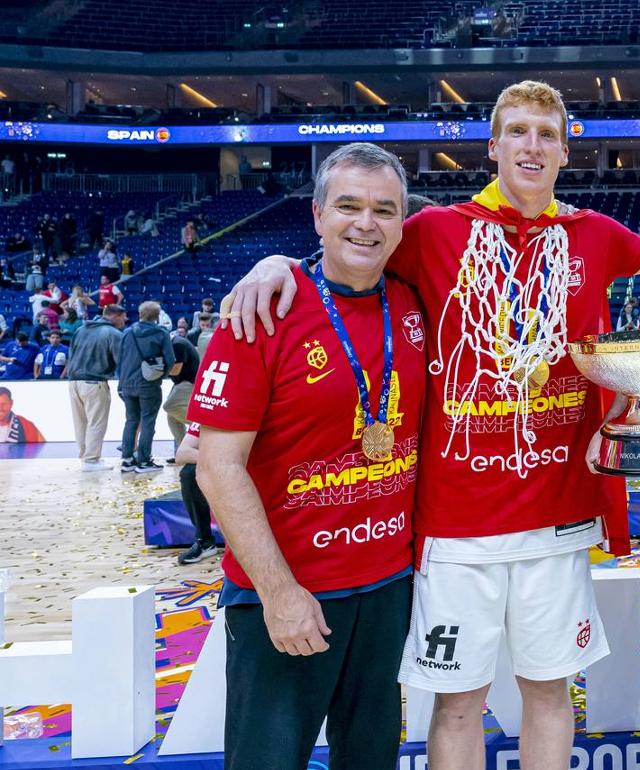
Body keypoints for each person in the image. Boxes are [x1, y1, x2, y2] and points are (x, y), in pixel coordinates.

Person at [221, 82, 640, 770]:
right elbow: (348, 256)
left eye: (545, 133)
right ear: (493, 146)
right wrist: (273, 265)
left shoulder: (597, 235)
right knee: (457, 704)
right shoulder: (434, 232)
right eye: (517, 132)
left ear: (566, 150)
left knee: (550, 693)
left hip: (556, 516)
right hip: (454, 524)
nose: (531, 146)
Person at [191, 142, 426, 770]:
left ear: (403, 221)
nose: (366, 223)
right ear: (317, 215)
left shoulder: (414, 301)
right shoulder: (263, 310)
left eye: (384, 209)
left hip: (385, 590)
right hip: (289, 596)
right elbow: (216, 466)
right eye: (348, 205)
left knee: (372, 758)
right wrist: (279, 593)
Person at [116, 301, 177, 473]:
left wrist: (121, 383)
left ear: (139, 314)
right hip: (149, 384)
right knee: (148, 421)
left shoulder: (127, 333)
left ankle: (127, 460)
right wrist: (161, 376)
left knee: (131, 421)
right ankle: (144, 461)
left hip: (127, 383)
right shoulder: (161, 333)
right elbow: (170, 360)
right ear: (157, 316)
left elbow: (120, 359)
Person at [66, 304, 125, 471]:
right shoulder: (113, 333)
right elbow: (121, 360)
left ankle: (85, 457)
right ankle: (91, 461)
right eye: (123, 316)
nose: (125, 320)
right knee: (96, 422)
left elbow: (72, 354)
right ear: (115, 316)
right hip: (94, 382)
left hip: (73, 382)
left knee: (80, 422)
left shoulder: (81, 330)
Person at [172, 422, 218, 565]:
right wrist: (222, 461)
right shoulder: (211, 409)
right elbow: (181, 454)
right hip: (225, 464)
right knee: (189, 473)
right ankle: (204, 540)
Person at [163, 333, 200, 458]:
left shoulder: (178, 344)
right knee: (172, 418)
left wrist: (155, 371)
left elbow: (175, 370)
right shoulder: (175, 342)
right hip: (182, 382)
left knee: (169, 406)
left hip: (189, 382)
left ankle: (203, 428)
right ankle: (184, 450)